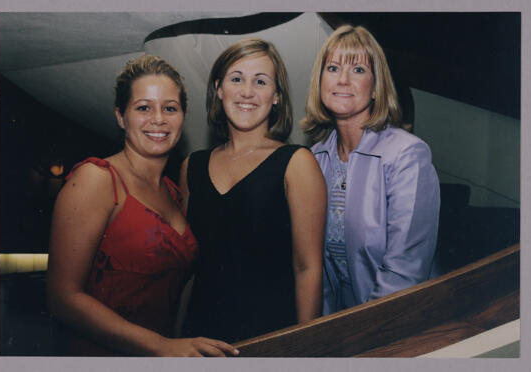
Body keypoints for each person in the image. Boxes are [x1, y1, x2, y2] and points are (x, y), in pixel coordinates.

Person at [47, 55, 239, 357]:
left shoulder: (175, 193)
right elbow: (63, 297)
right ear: (121, 116)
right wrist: (161, 346)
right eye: (143, 107)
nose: (158, 118)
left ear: (183, 116)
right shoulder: (96, 179)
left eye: (170, 108)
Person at [179, 38, 326, 343]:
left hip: (269, 339)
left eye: (260, 81)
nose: (247, 92)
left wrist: (304, 348)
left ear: (276, 97)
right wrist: (175, 338)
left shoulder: (297, 163)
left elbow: (307, 268)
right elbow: (188, 271)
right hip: (200, 339)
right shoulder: (191, 166)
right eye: (236, 79)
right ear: (219, 89)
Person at [301, 25, 440, 315]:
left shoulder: (407, 155)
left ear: (376, 87)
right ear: (319, 82)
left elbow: (404, 275)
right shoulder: (313, 159)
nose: (342, 79)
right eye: (333, 67)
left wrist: (358, 338)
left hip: (400, 321)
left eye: (359, 70)